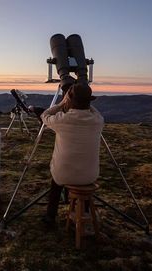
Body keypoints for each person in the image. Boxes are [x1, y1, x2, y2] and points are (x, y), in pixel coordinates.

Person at [35, 83, 104, 226]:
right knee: (76, 174)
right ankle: (84, 212)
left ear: (70, 99)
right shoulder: (98, 121)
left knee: (56, 182)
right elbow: (95, 112)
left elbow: (45, 115)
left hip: (63, 175)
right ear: (89, 101)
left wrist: (62, 103)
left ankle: (50, 216)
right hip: (89, 176)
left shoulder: (62, 119)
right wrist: (85, 102)